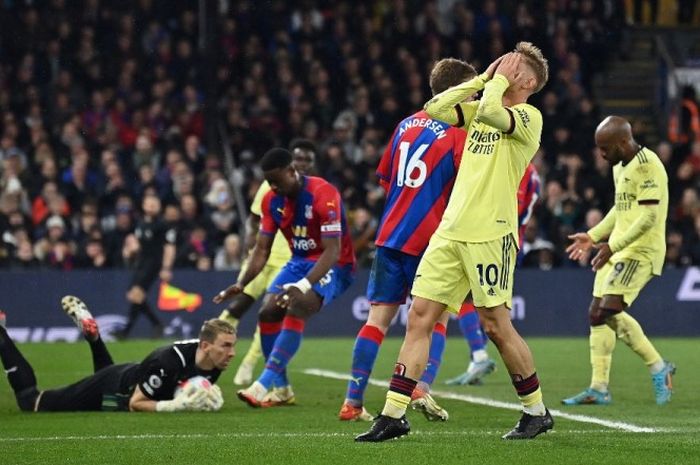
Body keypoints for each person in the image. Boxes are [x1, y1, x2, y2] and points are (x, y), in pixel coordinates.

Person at [356, 43, 553, 442]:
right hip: (449, 231)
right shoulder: (481, 106)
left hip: (490, 233)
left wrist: (495, 84)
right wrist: (483, 79)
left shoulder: (529, 117)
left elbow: (497, 112)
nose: (501, 70)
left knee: (496, 325)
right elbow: (436, 109)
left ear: (528, 82)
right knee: (420, 316)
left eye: (512, 68)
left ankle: (536, 412)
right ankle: (394, 414)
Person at [339, 58, 478, 423]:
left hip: (390, 235)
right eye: (472, 90)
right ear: (457, 91)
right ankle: (420, 387)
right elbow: (466, 189)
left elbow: (387, 180)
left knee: (377, 321)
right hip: (430, 240)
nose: (476, 96)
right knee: (436, 320)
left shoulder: (405, 124)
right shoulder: (457, 133)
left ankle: (352, 402)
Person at [214, 147, 355, 407]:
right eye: (268, 182)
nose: (272, 187)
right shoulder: (271, 200)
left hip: (334, 264)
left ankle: (262, 385)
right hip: (299, 261)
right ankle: (282, 389)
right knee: (267, 313)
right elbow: (262, 249)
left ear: (292, 171)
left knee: (298, 305)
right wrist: (241, 283)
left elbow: (332, 251)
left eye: (276, 181)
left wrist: (302, 286)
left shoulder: (324, 194)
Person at [562, 116, 675, 406]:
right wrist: (592, 235)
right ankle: (599, 387)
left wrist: (612, 245)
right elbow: (621, 209)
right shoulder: (621, 165)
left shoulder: (647, 166)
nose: (601, 154)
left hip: (640, 251)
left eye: (605, 148)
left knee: (608, 309)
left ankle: (658, 367)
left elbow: (648, 217)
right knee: (596, 315)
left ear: (624, 142)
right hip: (619, 248)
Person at [0, 296, 234, 412]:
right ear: (205, 346)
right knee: (31, 402)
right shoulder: (168, 362)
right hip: (113, 387)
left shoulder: (213, 360)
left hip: (128, 374)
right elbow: (136, 403)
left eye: (232, 345)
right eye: (226, 345)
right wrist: (174, 406)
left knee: (108, 372)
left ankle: (94, 338)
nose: (232, 353)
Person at [217, 139, 317, 386]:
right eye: (298, 158)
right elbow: (253, 219)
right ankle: (206, 352)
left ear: (312, 163)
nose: (302, 163)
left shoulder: (315, 192)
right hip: (261, 258)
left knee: (268, 313)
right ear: (290, 163)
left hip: (289, 264)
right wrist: (247, 248)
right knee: (236, 305)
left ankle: (248, 364)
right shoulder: (269, 186)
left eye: (307, 159)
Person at [446, 162, 540, 386]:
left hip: (495, 241)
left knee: (470, 299)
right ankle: (476, 360)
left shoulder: (518, 169)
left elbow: (514, 208)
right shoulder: (531, 173)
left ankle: (479, 356)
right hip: (508, 242)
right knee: (484, 303)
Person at [115, 193, 176, 339]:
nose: (152, 206)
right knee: (135, 296)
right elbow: (138, 245)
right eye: (149, 204)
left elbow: (169, 247)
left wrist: (166, 267)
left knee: (135, 293)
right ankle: (154, 324)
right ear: (143, 206)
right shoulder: (140, 224)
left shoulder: (162, 225)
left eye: (154, 204)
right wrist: (131, 251)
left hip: (153, 264)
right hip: (141, 263)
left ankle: (127, 331)